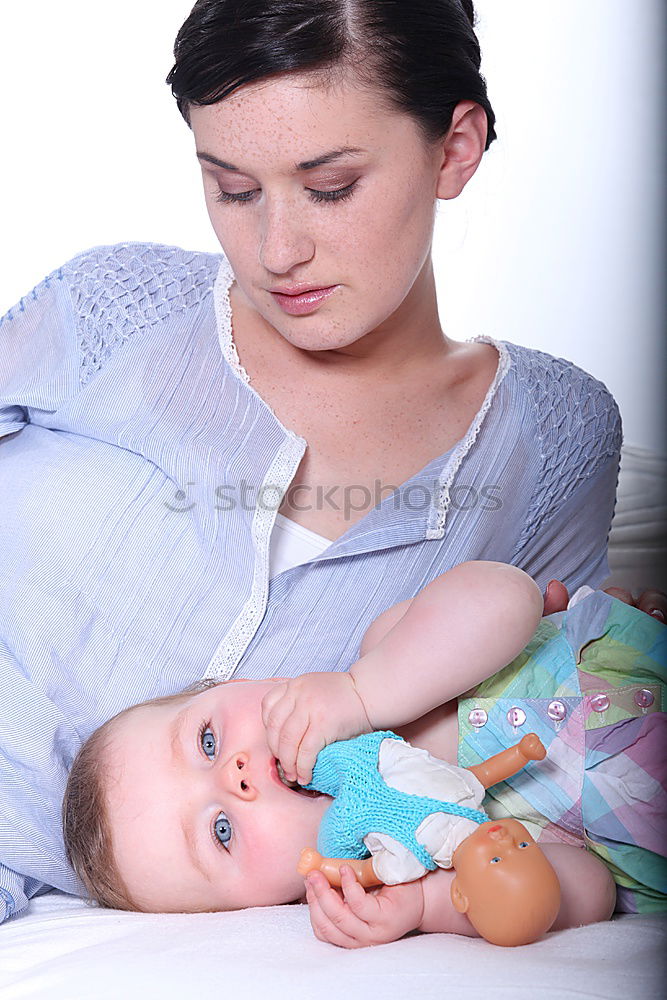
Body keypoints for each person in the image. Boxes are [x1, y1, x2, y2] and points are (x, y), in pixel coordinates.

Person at [3, 0, 661, 925]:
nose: (277, 252)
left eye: (330, 186)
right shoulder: (114, 308)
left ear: (454, 148)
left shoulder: (554, 435)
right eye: (232, 188)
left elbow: (545, 726)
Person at [61, 561, 666, 947]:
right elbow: (589, 892)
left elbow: (511, 597)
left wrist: (363, 694)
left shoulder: (393, 652)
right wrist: (428, 904)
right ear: (268, 900)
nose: (236, 777)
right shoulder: (426, 864)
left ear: (235, 683)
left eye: (208, 742)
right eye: (221, 830)